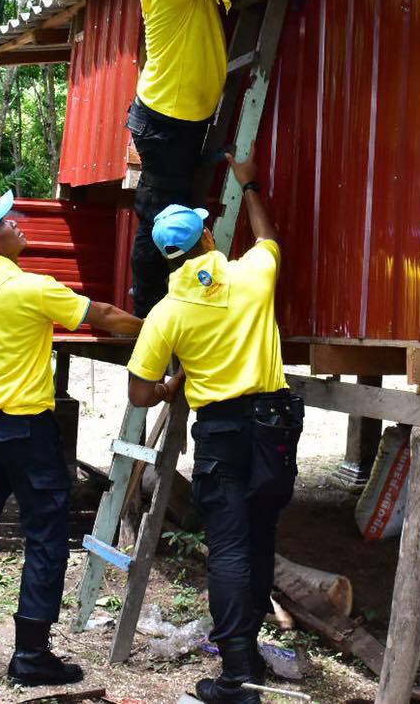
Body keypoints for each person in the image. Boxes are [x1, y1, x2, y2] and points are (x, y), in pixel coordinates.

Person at [0, 191, 144, 687]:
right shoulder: (27, 288)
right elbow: (107, 316)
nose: (16, 222)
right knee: (46, 536)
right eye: (4, 222)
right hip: (27, 431)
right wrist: (168, 332)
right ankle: (30, 654)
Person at [125, 156, 302, 704]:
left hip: (221, 431)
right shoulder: (251, 274)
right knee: (261, 535)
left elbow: (137, 391)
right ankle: (248, 665)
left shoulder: (166, 314)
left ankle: (238, 675)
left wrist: (170, 387)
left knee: (227, 547)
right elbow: (269, 237)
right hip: (273, 423)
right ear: (206, 235)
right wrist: (249, 185)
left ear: (166, 254)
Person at [120, 0, 268, 317]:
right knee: (160, 215)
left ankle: (168, 303)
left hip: (183, 117)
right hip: (165, 119)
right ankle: (149, 311)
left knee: (177, 206)